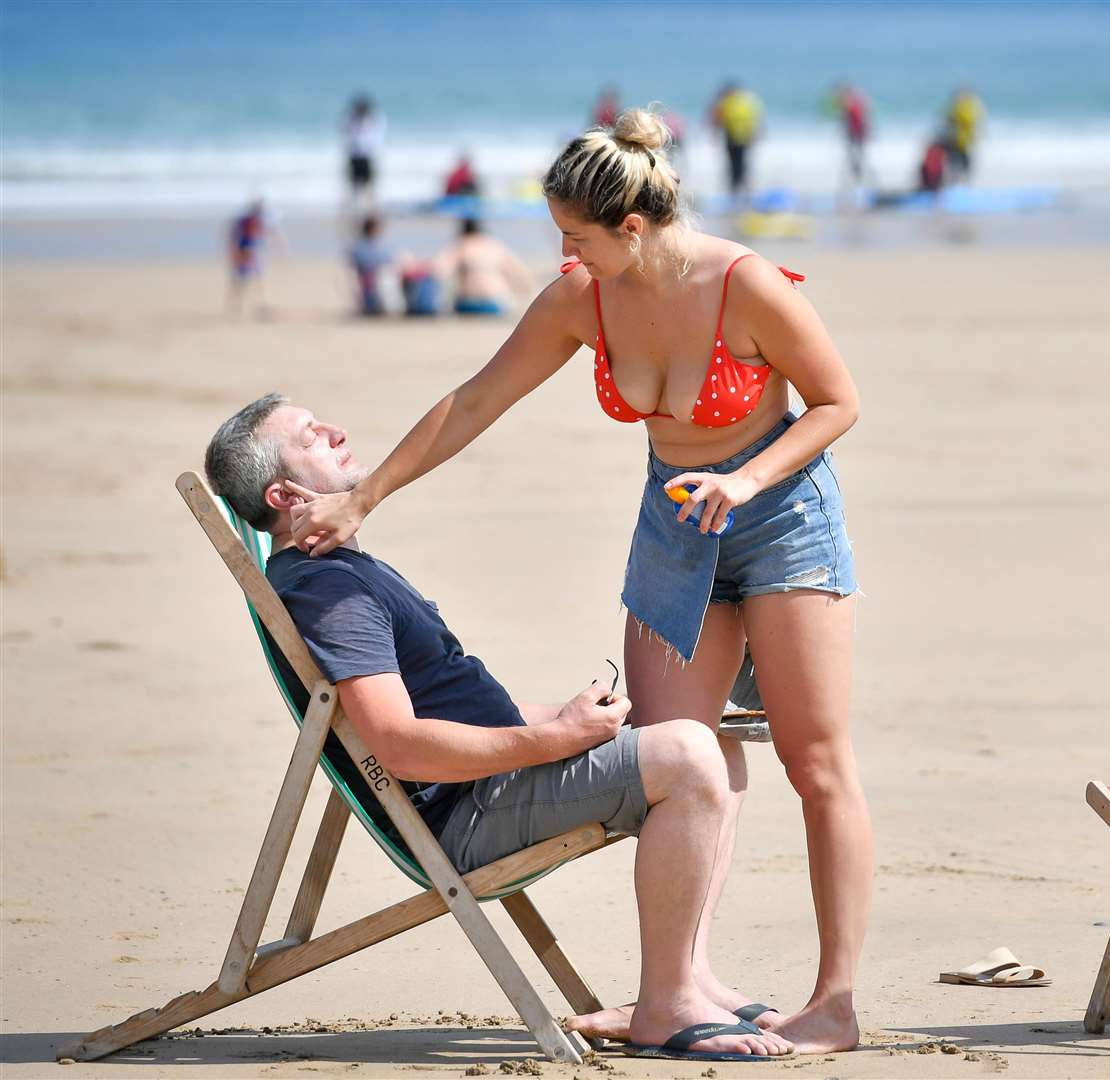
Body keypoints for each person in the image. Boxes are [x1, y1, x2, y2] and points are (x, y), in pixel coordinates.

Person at [288, 108, 869, 1055]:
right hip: (674, 529)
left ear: (631, 229)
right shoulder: (580, 298)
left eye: (576, 236)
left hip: (782, 518)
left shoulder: (745, 284)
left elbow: (839, 401)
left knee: (815, 763)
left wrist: (745, 479)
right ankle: (681, 991)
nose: (563, 253)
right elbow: (475, 399)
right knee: (684, 751)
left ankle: (834, 1002)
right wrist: (365, 501)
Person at [202, 394, 795, 1062]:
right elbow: (399, 744)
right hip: (468, 813)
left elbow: (455, 712)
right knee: (687, 756)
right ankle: (667, 1004)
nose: (337, 430)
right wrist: (556, 739)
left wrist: (575, 720)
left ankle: (691, 976)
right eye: (311, 437)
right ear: (285, 494)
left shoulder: (343, 571)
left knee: (704, 734)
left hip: (491, 782)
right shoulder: (327, 590)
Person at [433, 217, 535, 316]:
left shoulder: (462, 244)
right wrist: (525, 291)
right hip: (495, 302)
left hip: (467, 303)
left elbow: (440, 270)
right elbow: (519, 272)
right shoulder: (494, 245)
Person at [226, 197, 282, 317]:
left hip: (254, 253)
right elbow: (234, 236)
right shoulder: (245, 221)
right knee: (242, 280)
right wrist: (234, 252)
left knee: (258, 279)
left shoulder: (258, 221)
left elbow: (269, 234)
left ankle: (262, 305)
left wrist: (277, 247)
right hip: (245, 252)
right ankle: (236, 306)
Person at [710, 82, 764, 197]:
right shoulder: (744, 101)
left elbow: (718, 118)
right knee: (739, 164)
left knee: (736, 165)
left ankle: (737, 189)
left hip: (736, 137)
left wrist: (714, 132)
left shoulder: (729, 102)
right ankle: (740, 188)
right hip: (739, 137)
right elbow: (755, 119)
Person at [343, 95, 386, 211]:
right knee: (354, 186)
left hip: (366, 156)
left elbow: (377, 137)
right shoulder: (351, 119)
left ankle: (371, 209)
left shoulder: (372, 120)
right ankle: (354, 209)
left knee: (369, 185)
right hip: (355, 156)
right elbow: (346, 135)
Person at [823, 82, 871, 186]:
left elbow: (846, 118)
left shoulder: (850, 102)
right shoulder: (855, 100)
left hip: (856, 132)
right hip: (856, 132)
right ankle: (857, 177)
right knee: (855, 156)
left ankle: (858, 177)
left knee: (855, 156)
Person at [349, 215, 396, 317]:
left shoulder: (358, 248)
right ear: (373, 229)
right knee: (387, 276)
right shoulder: (365, 249)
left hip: (369, 291)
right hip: (374, 291)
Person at [942, 85, 984, 182]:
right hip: (960, 140)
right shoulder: (967, 106)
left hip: (961, 140)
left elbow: (966, 121)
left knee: (960, 163)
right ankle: (960, 182)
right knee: (957, 163)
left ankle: (961, 182)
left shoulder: (964, 107)